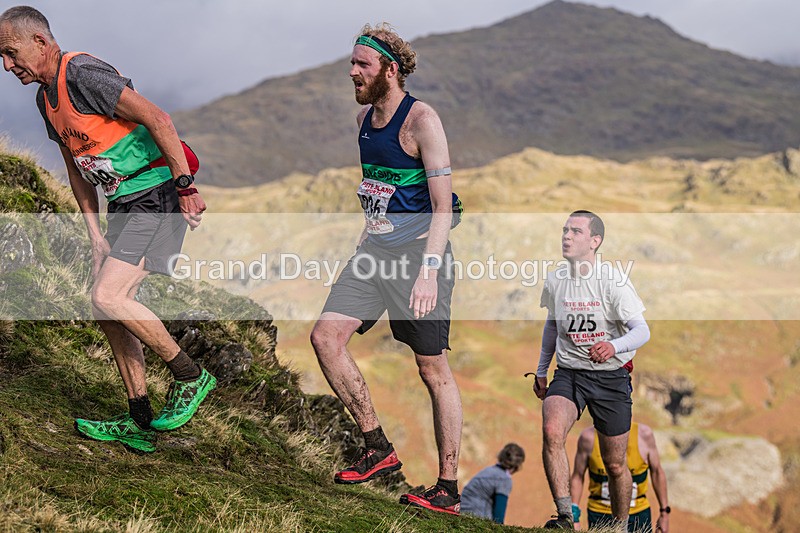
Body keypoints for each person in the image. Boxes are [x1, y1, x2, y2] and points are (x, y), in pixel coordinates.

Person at [0, 6, 215, 453]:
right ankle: (138, 417)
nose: (7, 65)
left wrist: (186, 187)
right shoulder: (45, 99)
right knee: (107, 307)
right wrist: (95, 235)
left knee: (109, 296)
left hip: (155, 195)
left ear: (40, 42)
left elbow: (159, 119)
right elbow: (76, 169)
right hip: (124, 204)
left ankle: (190, 376)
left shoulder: (81, 73)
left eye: (10, 52)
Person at [310, 23, 464, 515]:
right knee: (325, 338)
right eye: (351, 64)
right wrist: (364, 243)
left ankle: (448, 487)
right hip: (375, 253)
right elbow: (377, 194)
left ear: (389, 70)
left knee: (432, 368)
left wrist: (428, 273)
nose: (352, 72)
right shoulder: (363, 122)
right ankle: (378, 447)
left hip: (422, 256)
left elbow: (442, 207)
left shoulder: (421, 120)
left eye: (362, 65)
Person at [533, 210, 651, 530]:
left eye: (575, 232)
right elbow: (552, 325)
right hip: (569, 373)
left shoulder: (613, 282)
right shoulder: (556, 278)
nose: (566, 236)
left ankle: (619, 525)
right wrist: (542, 369)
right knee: (551, 431)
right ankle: (564, 518)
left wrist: (615, 346)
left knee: (614, 464)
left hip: (610, 377)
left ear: (594, 241)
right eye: (564, 230)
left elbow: (642, 331)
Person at [570, 422, 670, 532]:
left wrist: (664, 513)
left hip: (638, 513)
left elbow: (657, 472)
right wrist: (574, 517)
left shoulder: (644, 435)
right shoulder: (588, 438)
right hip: (600, 513)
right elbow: (577, 476)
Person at [461, 443, 526, 524]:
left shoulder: (488, 470)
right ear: (517, 466)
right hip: (476, 519)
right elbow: (498, 517)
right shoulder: (504, 479)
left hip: (462, 514)